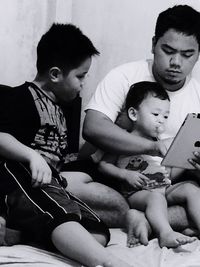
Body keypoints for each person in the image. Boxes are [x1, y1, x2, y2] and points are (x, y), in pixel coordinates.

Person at [0, 23, 132, 267]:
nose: (83, 84)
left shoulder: (62, 109)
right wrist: (32, 156)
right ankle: (108, 263)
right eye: (80, 76)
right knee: (62, 218)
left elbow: (61, 156)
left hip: (51, 184)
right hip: (21, 181)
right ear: (55, 74)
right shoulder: (20, 97)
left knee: (99, 232)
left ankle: (22, 234)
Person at [80, 4, 200, 245]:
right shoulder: (125, 76)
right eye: (168, 51)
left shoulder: (197, 93)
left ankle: (144, 220)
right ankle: (150, 219)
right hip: (122, 185)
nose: (176, 62)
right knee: (70, 185)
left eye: (187, 55)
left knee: (192, 192)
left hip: (167, 186)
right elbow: (92, 128)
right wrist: (153, 147)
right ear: (154, 43)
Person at [99, 81, 198, 248]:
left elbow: (168, 175)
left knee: (192, 188)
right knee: (155, 198)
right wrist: (125, 175)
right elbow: (103, 164)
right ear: (133, 114)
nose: (161, 121)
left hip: (163, 188)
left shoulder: (160, 143)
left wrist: (184, 159)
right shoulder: (124, 140)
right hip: (139, 193)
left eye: (165, 116)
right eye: (156, 114)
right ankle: (165, 233)